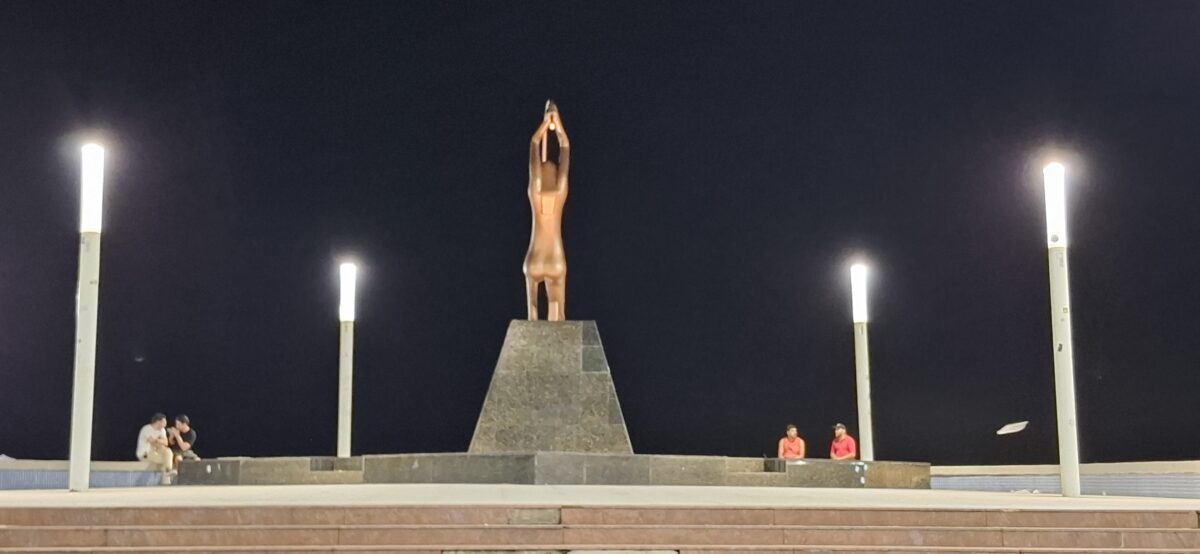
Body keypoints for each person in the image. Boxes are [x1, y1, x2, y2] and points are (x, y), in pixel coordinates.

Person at [135, 413, 173, 477]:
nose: (166, 423)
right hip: (144, 454)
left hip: (154, 451)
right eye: (164, 421)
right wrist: (160, 443)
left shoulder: (162, 430)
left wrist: (157, 441)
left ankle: (167, 471)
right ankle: (166, 471)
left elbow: (166, 443)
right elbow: (153, 443)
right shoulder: (146, 429)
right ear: (158, 422)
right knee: (165, 459)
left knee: (168, 451)